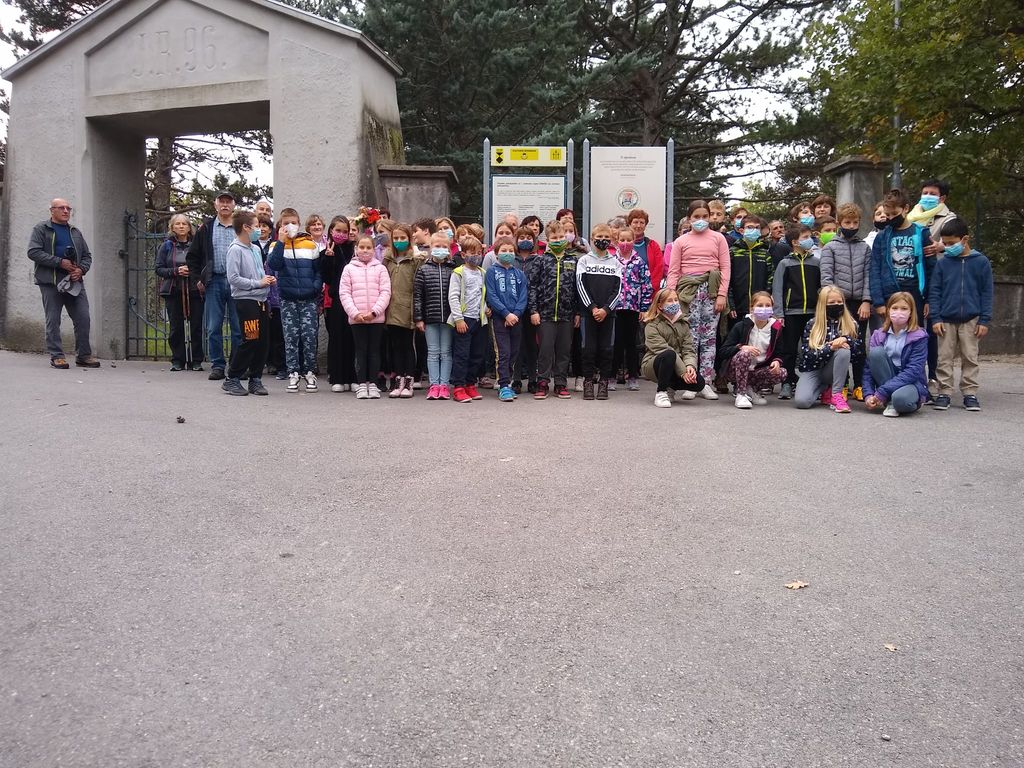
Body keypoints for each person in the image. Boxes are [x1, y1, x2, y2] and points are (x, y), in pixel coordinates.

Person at [869, 188, 936, 383]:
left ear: (906, 208)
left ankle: (922, 379)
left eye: (894, 213)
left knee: (917, 337)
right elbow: (875, 269)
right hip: (890, 294)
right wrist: (878, 301)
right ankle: (888, 379)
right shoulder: (882, 237)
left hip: (915, 294)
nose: (890, 218)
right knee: (890, 338)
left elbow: (931, 268)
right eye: (887, 214)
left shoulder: (921, 233)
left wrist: (929, 299)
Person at [666, 199, 731, 400]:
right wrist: (671, 294)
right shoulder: (681, 241)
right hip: (688, 292)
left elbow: (725, 267)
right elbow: (673, 270)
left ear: (710, 217)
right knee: (690, 337)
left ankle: (706, 382)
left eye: (705, 216)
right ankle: (691, 382)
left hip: (711, 290)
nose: (701, 220)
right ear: (689, 218)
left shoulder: (718, 238)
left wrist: (721, 294)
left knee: (709, 338)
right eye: (696, 216)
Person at [929, 219, 993, 412]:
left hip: (971, 319)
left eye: (951, 243)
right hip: (945, 319)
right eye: (945, 243)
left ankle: (970, 393)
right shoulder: (943, 263)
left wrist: (984, 320)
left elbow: (987, 292)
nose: (947, 247)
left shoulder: (981, 262)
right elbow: (935, 291)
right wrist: (936, 318)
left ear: (964, 239)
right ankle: (944, 392)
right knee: (944, 358)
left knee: (970, 356)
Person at [27, 198, 99, 369]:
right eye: (61, 208)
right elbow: (33, 252)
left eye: (68, 208)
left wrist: (81, 269)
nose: (66, 211)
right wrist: (60, 262)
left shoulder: (75, 232)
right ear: (52, 210)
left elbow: (87, 256)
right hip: (50, 282)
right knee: (53, 320)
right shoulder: (41, 229)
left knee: (83, 318)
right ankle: (57, 356)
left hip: (74, 282)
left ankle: (83, 356)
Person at [186, 191, 241, 380]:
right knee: (213, 327)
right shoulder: (206, 228)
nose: (225, 205)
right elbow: (192, 257)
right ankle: (218, 365)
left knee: (238, 327)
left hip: (237, 283)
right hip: (214, 281)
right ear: (215, 205)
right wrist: (197, 279)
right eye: (221, 202)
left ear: (233, 205)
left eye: (228, 202)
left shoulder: (240, 227)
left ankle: (236, 366)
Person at [267, 208, 323, 393]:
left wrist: (315, 288)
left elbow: (318, 270)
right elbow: (274, 265)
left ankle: (309, 372)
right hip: (287, 299)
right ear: (280, 226)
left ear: (299, 224)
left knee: (309, 336)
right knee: (290, 337)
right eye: (286, 223)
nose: (290, 226)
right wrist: (281, 241)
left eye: (293, 222)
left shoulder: (310, 244)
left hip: (308, 299)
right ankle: (293, 372)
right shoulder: (276, 245)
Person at [820, 202, 872, 399]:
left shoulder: (864, 248)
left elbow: (868, 276)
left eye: (855, 222)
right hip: (838, 304)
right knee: (840, 343)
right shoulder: (830, 248)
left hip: (859, 303)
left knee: (858, 344)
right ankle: (841, 384)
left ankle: (859, 384)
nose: (851, 226)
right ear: (839, 223)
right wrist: (834, 301)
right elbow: (826, 278)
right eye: (847, 222)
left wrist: (866, 300)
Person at [222, 209, 276, 396]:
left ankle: (256, 379)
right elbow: (233, 278)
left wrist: (267, 279)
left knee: (263, 342)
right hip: (246, 301)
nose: (259, 229)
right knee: (250, 339)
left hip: (261, 300)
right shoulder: (235, 250)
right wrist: (258, 283)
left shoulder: (255, 248)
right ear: (246, 227)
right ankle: (232, 378)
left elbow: (259, 273)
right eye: (256, 226)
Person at [528, 219, 579, 400]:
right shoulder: (540, 261)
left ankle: (560, 383)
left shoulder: (573, 260)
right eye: (554, 237)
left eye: (561, 237)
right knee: (545, 350)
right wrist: (533, 311)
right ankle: (542, 382)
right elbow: (532, 287)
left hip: (566, 314)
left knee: (564, 351)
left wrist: (577, 312)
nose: (558, 240)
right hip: (545, 315)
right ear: (547, 239)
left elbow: (577, 288)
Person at [793, 286, 863, 413]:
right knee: (802, 402)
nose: (836, 305)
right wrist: (830, 347)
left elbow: (858, 355)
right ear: (823, 304)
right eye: (831, 302)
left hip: (835, 370)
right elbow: (807, 356)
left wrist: (847, 339)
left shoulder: (851, 324)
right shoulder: (812, 324)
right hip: (813, 369)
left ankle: (836, 395)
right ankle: (824, 388)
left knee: (844, 350)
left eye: (839, 301)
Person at [772, 223, 822, 400]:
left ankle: (812, 383)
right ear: (794, 242)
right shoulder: (785, 263)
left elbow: (821, 287)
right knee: (789, 350)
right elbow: (777, 289)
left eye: (810, 237)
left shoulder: (816, 262)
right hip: (791, 313)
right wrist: (779, 313)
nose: (810, 240)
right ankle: (787, 383)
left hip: (812, 313)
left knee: (812, 349)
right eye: (805, 237)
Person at [340, 235, 392, 399]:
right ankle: (362, 384)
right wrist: (355, 313)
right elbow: (344, 293)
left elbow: (385, 292)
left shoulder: (380, 269)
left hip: (375, 318)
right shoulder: (348, 269)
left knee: (374, 351)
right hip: (357, 319)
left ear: (374, 250)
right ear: (356, 249)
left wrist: (375, 312)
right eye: (361, 247)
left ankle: (373, 384)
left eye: (368, 247)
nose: (365, 250)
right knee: (361, 351)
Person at [576, 223, 623, 400]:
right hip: (588, 314)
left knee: (606, 349)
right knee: (588, 349)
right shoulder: (584, 260)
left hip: (608, 315)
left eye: (606, 237)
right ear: (592, 238)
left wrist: (605, 309)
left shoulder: (615, 262)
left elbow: (618, 290)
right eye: (599, 237)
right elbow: (580, 286)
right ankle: (588, 381)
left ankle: (604, 382)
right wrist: (593, 308)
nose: (603, 240)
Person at [716, 291, 787, 409]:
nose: (764, 309)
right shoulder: (741, 326)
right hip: (735, 370)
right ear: (752, 308)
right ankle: (741, 394)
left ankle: (752, 390)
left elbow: (779, 352)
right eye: (760, 305)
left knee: (782, 372)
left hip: (757, 370)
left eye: (767, 305)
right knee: (745, 354)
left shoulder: (776, 328)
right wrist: (741, 347)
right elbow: (723, 351)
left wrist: (777, 361)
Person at [863, 292, 929, 417]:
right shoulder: (878, 335)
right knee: (876, 353)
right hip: (886, 379)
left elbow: (914, 370)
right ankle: (890, 400)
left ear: (911, 312)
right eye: (895, 308)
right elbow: (869, 368)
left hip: (910, 382)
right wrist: (868, 394)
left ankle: (898, 401)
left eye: (904, 309)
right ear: (888, 310)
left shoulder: (919, 336)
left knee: (900, 400)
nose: (899, 312)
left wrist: (882, 392)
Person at [155, 213, 204, 371]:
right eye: (178, 224)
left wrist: (193, 271)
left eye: (184, 224)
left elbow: (203, 265)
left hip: (194, 290)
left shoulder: (196, 245)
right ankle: (178, 359)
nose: (181, 226)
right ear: (172, 227)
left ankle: (196, 360)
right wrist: (176, 271)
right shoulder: (166, 246)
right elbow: (159, 269)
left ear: (189, 227)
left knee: (196, 326)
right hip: (173, 290)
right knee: (176, 327)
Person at [641, 288, 706, 408]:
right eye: (670, 301)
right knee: (669, 354)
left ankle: (670, 387)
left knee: (699, 383)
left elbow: (688, 349)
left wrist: (690, 366)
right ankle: (661, 393)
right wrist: (683, 372)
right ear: (660, 305)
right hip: (654, 363)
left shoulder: (683, 323)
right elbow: (661, 349)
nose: (674, 303)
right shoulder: (652, 324)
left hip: (678, 363)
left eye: (676, 300)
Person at [383, 222, 424, 398]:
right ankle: (398, 380)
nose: (399, 241)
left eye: (403, 238)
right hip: (391, 309)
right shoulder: (387, 260)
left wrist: (417, 313)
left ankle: (409, 380)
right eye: (396, 238)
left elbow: (418, 288)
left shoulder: (416, 260)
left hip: (408, 310)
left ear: (409, 239)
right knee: (395, 346)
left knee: (408, 346)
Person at [485, 236, 528, 402]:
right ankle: (503, 385)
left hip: (516, 319)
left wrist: (516, 314)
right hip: (499, 319)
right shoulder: (491, 272)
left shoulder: (519, 274)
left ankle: (508, 382)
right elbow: (491, 295)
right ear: (496, 253)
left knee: (514, 353)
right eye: (504, 250)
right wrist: (505, 313)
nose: (507, 253)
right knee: (504, 353)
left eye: (510, 251)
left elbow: (523, 296)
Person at [414, 232, 456, 400]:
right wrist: (418, 318)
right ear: (431, 248)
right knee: (432, 352)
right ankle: (434, 385)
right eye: (437, 246)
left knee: (446, 352)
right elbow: (418, 296)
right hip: (430, 318)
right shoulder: (423, 269)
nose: (440, 249)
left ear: (449, 249)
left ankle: (444, 385)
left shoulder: (453, 269)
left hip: (448, 319)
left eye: (444, 246)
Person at [448, 235, 489, 404]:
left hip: (480, 320)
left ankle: (470, 384)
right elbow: (453, 296)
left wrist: (486, 308)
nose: (476, 256)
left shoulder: (483, 273)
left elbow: (483, 294)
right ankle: (458, 387)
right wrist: (458, 319)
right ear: (463, 255)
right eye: (472, 253)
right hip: (464, 320)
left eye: (479, 253)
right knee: (462, 355)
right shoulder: (458, 273)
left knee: (477, 355)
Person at [612, 226, 653, 391]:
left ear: (633, 241)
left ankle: (633, 376)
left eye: (628, 240)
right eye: (622, 240)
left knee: (631, 343)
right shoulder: (612, 260)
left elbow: (646, 285)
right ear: (617, 241)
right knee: (616, 342)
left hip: (633, 307)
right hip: (615, 307)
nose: (625, 243)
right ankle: (612, 376)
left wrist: (644, 307)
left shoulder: (639, 262)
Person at [322, 216, 356, 392]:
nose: (341, 234)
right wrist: (328, 258)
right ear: (331, 231)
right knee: (336, 338)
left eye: (345, 231)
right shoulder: (326, 250)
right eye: (338, 231)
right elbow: (326, 278)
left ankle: (352, 377)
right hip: (336, 301)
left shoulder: (354, 249)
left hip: (354, 299)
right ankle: (337, 378)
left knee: (352, 339)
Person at [728, 213, 773, 332]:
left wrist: (765, 299)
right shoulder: (733, 251)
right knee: (737, 336)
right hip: (738, 306)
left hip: (759, 307)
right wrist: (731, 304)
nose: (754, 230)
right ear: (741, 230)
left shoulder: (764, 252)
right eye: (750, 227)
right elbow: (728, 279)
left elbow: (770, 278)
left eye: (757, 227)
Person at [512, 226, 541, 393]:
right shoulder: (511, 260)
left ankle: (532, 379)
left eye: (529, 237)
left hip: (532, 308)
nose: (525, 240)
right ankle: (516, 379)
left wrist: (535, 309)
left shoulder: (538, 260)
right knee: (517, 344)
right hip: (515, 308)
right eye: (521, 237)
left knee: (531, 344)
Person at [257, 215, 285, 378]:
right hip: (268, 296)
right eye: (259, 225)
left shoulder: (275, 246)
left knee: (280, 335)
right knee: (266, 334)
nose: (262, 229)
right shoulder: (255, 246)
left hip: (281, 297)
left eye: (265, 226)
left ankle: (280, 364)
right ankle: (268, 363)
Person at [906, 178, 958, 243]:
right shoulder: (911, 215)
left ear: (942, 198)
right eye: (925, 193)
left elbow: (948, 244)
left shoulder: (949, 219)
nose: (927, 196)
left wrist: (940, 246)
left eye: (932, 194)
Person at [625, 209, 664, 292]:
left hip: (649, 291)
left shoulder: (653, 245)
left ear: (645, 225)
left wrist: (650, 287)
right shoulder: (623, 245)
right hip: (627, 291)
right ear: (629, 224)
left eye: (642, 223)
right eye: (635, 222)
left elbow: (659, 268)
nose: (638, 226)